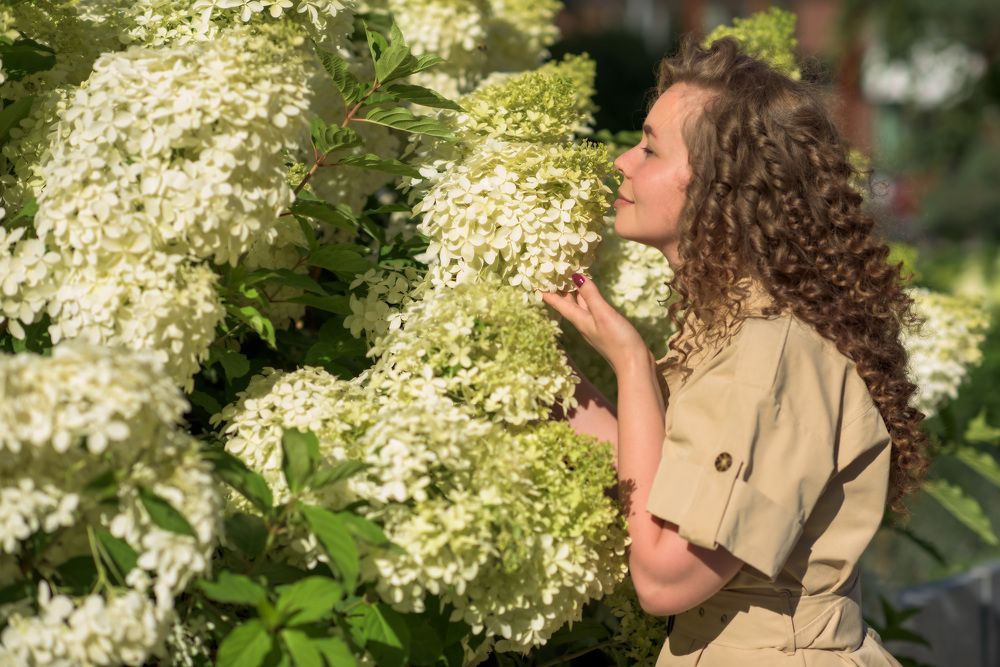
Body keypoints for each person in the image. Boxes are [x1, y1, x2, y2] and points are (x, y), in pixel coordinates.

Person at [540, 35, 927, 666]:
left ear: (721, 184)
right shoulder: (730, 328)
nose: (621, 162)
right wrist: (541, 375)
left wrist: (630, 362)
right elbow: (660, 486)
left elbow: (666, 578)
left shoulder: (766, 359)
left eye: (649, 148)